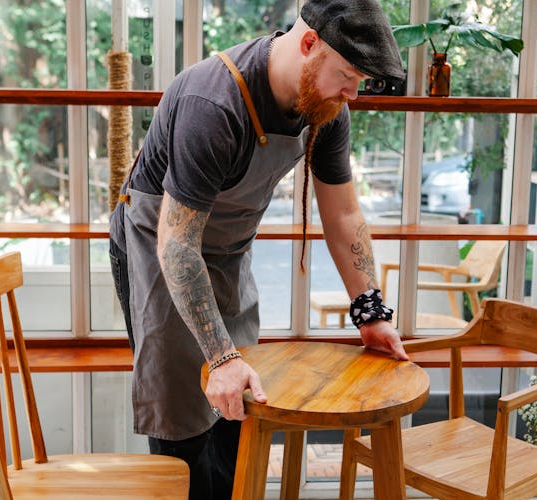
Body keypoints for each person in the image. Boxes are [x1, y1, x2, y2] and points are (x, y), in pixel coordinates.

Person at [108, 0, 408, 498]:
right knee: (182, 409)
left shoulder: (328, 106)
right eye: (350, 74)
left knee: (242, 406)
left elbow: (343, 215)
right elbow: (178, 245)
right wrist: (220, 357)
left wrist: (370, 310)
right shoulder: (215, 103)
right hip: (159, 249)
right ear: (310, 42)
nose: (354, 92)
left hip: (227, 250)